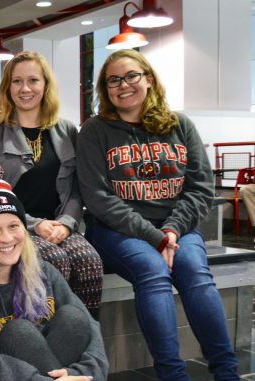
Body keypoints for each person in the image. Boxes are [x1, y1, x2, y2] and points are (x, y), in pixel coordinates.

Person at [77, 49, 238, 380]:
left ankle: (226, 373)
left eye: (131, 76)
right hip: (117, 230)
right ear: (105, 89)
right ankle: (173, 375)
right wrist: (156, 238)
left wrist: (173, 231)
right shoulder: (95, 130)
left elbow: (200, 187)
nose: (123, 85)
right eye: (113, 80)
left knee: (195, 271)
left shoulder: (179, 125)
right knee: (153, 272)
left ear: (148, 79)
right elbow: (98, 198)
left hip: (176, 229)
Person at [0, 164, 108, 381]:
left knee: (74, 319)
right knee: (21, 333)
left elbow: (92, 332)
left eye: (13, 226)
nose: (7, 238)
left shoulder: (43, 271)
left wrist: (82, 374)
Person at [0, 51, 103, 316]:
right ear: (7, 87)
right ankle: (51, 347)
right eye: (17, 81)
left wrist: (67, 224)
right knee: (54, 261)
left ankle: (86, 343)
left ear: (45, 85)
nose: (25, 88)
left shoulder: (67, 130)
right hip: (17, 228)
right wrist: (36, 224)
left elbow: (77, 188)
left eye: (33, 80)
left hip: (62, 225)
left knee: (89, 261)